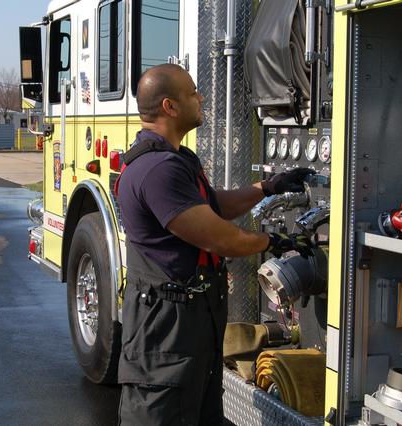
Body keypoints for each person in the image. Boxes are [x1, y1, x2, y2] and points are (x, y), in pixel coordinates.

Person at [116, 63, 314, 425]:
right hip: (166, 336)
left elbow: (213, 207)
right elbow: (220, 238)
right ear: (169, 107)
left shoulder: (175, 161)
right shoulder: (158, 170)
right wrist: (276, 240)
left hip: (187, 329)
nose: (201, 97)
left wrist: (266, 188)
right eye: (192, 92)